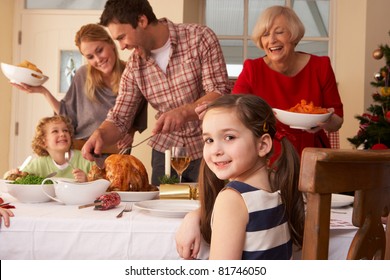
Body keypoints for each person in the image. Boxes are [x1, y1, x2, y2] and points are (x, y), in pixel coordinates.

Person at [81, 0, 231, 186]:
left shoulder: (199, 38)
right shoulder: (135, 66)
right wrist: (100, 135)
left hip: (208, 147)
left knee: (210, 210)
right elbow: (120, 118)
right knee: (160, 211)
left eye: (122, 37)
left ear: (142, 21)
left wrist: (184, 112)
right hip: (165, 153)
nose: (121, 47)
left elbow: (219, 93)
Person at [178, 94, 304, 259]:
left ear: (263, 145)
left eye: (229, 137)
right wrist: (195, 215)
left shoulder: (232, 199)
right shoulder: (278, 182)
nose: (216, 150)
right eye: (209, 140)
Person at [11, 23, 147, 153]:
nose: (98, 59)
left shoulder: (132, 73)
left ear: (111, 44)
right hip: (81, 152)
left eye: (99, 50)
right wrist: (43, 91)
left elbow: (138, 115)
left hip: (116, 152)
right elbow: (67, 115)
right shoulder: (82, 75)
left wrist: (131, 132)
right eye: (90, 57)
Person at [232, 5, 343, 159]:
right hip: (268, 155)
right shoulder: (253, 69)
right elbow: (233, 108)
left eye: (279, 32)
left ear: (294, 36)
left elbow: (337, 120)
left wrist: (325, 120)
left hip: (312, 155)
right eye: (265, 34)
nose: (271, 40)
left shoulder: (320, 66)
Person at [5, 115, 93, 182]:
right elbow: (12, 177)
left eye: (65, 130)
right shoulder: (39, 163)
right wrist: (11, 175)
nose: (62, 134)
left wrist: (87, 180)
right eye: (55, 131)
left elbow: (102, 183)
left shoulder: (85, 159)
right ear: (43, 142)